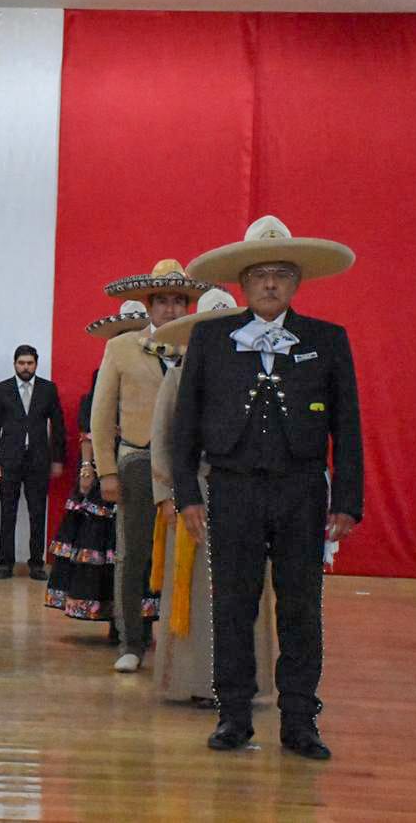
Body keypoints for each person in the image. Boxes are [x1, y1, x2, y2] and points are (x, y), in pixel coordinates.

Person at [173, 216, 361, 759]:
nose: (271, 284)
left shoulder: (327, 340)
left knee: (302, 606)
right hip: (231, 490)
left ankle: (301, 720)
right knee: (233, 604)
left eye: (281, 274)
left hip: (302, 490)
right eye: (260, 274)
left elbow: (347, 425)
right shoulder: (210, 338)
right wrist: (187, 492)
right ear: (242, 282)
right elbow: (187, 423)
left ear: (297, 282)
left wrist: (347, 499)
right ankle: (233, 716)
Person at [148, 288, 277, 707]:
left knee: (246, 588)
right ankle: (196, 681)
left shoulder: (258, 372)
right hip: (197, 495)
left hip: (248, 494)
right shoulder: (180, 374)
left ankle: (242, 681)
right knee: (200, 593)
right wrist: (169, 493)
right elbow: (164, 440)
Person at [91, 260, 211, 673]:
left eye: (180, 301)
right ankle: (131, 641)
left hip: (193, 466)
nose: (172, 309)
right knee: (134, 553)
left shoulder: (202, 346)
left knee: (192, 556)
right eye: (163, 301)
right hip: (138, 460)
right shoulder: (121, 347)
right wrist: (106, 470)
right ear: (148, 304)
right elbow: (101, 414)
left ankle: (184, 644)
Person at [46, 301, 146, 630]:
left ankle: (138, 622)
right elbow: (91, 428)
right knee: (106, 546)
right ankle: (110, 618)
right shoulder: (101, 377)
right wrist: (89, 468)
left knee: (139, 547)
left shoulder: (156, 371)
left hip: (144, 467)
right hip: (109, 470)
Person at [0, 344, 66, 580]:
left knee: (37, 513)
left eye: (29, 363)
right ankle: (5, 562)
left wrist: (58, 459)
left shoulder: (47, 389)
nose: (25, 367)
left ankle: (36, 563)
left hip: (39, 461)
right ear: (14, 364)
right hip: (9, 460)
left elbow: (59, 427)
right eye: (21, 363)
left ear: (36, 364)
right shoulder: (2, 389)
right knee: (8, 513)